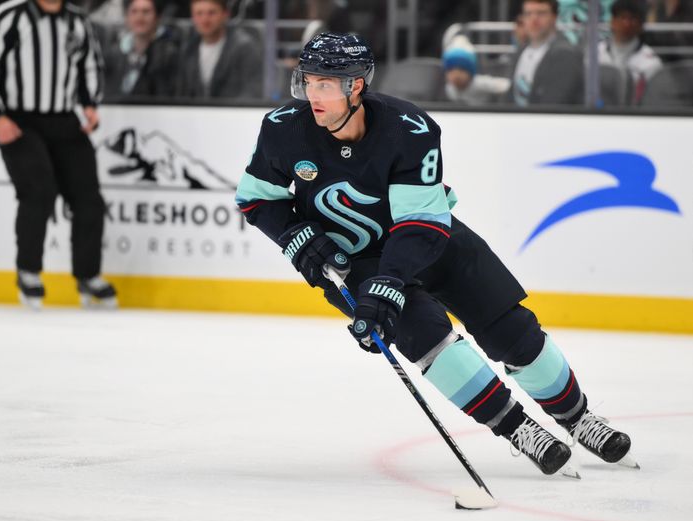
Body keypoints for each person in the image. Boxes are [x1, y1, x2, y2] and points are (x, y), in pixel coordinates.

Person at [236, 32, 638, 477]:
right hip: (352, 262)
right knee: (429, 338)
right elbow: (257, 198)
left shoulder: (410, 129)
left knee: (511, 329)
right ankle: (517, 428)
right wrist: (297, 236)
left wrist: (390, 282)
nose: (313, 95)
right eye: (307, 82)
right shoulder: (283, 128)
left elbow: (420, 225)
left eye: (326, 84)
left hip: (429, 239)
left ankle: (579, 418)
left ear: (356, 86)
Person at [0, 0, 117, 309]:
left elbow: (88, 65)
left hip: (63, 118)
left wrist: (89, 104)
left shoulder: (76, 21)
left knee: (88, 197)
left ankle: (88, 275)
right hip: (18, 119)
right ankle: (29, 271)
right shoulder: (10, 16)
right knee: (38, 190)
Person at [175, 0, 262, 100]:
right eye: (199, 13)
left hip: (233, 112)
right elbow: (180, 93)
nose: (205, 20)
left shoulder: (244, 47)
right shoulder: (187, 50)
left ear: (225, 14)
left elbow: (252, 90)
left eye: (211, 13)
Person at [508, 0, 584, 106]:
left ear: (554, 17)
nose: (534, 19)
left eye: (541, 13)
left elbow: (555, 102)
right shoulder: (521, 51)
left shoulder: (566, 53)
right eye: (528, 14)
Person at [103, 0, 180, 98]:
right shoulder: (113, 54)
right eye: (134, 11)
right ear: (127, 17)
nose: (139, 18)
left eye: (146, 12)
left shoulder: (169, 55)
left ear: (158, 17)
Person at [599, 0, 663, 103]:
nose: (627, 24)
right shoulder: (596, 53)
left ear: (641, 25)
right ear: (612, 22)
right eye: (622, 17)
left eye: (632, 19)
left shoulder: (652, 62)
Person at [441, 34, 511, 105]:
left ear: (471, 71)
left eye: (461, 69)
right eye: (451, 70)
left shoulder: (482, 84)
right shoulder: (447, 90)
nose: (456, 75)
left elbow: (507, 86)